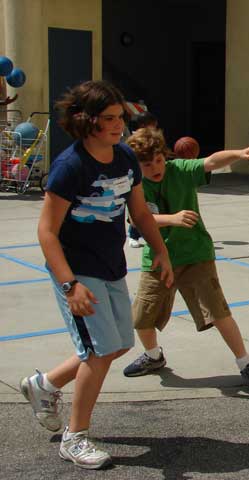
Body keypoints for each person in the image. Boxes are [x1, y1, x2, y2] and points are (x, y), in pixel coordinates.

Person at [20, 81, 173, 470]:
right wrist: (69, 285)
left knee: (119, 344)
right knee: (99, 351)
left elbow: (140, 213)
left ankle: (45, 385)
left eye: (120, 117)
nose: (119, 125)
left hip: (110, 266)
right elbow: (47, 231)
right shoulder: (70, 167)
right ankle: (75, 437)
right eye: (109, 118)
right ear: (87, 121)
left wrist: (161, 250)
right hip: (77, 272)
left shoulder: (124, 158)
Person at [123, 127, 249, 391]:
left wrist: (239, 153)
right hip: (157, 258)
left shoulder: (180, 169)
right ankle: (154, 357)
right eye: (147, 164)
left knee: (218, 312)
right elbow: (138, 220)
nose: (155, 167)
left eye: (158, 160)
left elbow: (211, 161)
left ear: (165, 156)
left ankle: (246, 363)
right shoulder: (135, 185)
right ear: (137, 166)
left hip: (196, 255)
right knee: (142, 318)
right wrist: (172, 219)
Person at [127, 111, 159, 248]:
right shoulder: (135, 139)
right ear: (144, 125)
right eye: (152, 125)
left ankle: (148, 234)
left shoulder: (154, 139)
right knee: (138, 208)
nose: (154, 128)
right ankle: (133, 235)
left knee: (151, 208)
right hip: (137, 178)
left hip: (150, 177)